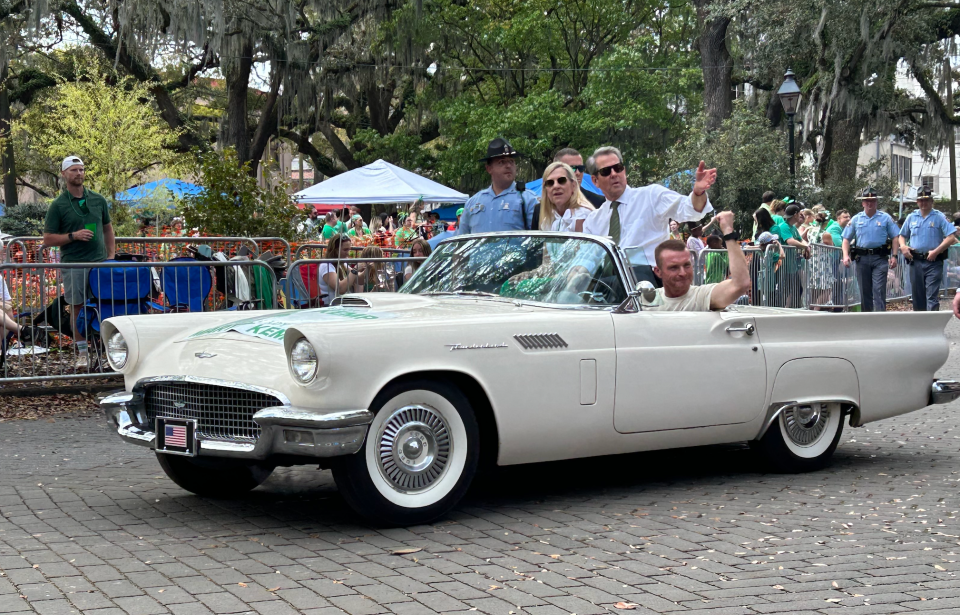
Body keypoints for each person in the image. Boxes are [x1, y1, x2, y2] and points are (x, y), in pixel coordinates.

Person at [582, 146, 716, 285]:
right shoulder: (593, 221)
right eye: (606, 171)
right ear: (595, 181)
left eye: (618, 167)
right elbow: (587, 259)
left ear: (624, 171)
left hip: (649, 283)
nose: (614, 173)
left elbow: (690, 210)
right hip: (609, 285)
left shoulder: (651, 196)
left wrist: (698, 192)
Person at [42, 156, 115, 367]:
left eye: (81, 169)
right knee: (78, 308)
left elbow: (108, 228)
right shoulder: (58, 205)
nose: (79, 173)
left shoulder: (98, 200)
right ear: (64, 174)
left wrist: (111, 257)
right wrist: (73, 236)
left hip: (100, 264)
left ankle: (109, 352)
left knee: (105, 307)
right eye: (74, 170)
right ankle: (83, 353)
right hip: (74, 264)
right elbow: (47, 239)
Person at [646, 211, 749, 311]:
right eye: (674, 267)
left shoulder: (702, 296)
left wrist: (728, 231)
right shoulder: (647, 301)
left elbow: (740, 284)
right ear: (658, 272)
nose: (682, 273)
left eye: (687, 265)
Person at [458, 137, 537, 235]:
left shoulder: (528, 199)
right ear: (489, 169)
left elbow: (537, 240)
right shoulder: (473, 202)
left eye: (511, 161)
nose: (508, 166)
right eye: (502, 162)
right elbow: (461, 241)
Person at [842, 187, 901, 312]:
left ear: (876, 202)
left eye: (873, 201)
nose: (870, 203)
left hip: (880, 258)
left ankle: (880, 318)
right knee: (864, 291)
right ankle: (867, 318)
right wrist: (845, 255)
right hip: (862, 258)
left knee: (879, 289)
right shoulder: (856, 219)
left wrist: (894, 256)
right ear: (863, 203)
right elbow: (846, 239)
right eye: (867, 201)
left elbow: (895, 237)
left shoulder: (885, 218)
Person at [899, 186, 957, 311]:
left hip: (933, 261)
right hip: (916, 261)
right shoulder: (911, 217)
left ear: (931, 201)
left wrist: (936, 251)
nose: (923, 203)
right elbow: (902, 235)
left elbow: (951, 237)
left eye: (926, 200)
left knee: (931, 296)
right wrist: (903, 246)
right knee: (917, 296)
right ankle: (920, 326)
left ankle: (932, 325)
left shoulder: (939, 217)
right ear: (917, 202)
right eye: (921, 200)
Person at [538, 162, 595, 232]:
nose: (556, 186)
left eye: (561, 180)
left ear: (573, 185)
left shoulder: (583, 215)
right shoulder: (547, 221)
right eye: (550, 183)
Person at [773, 204, 810, 308]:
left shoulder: (792, 227)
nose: (801, 215)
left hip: (791, 266)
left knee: (797, 289)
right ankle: (779, 310)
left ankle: (793, 310)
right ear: (795, 214)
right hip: (783, 265)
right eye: (799, 213)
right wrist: (805, 247)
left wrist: (805, 245)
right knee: (783, 290)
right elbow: (790, 241)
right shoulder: (784, 226)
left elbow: (799, 239)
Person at [317, 234, 360, 303]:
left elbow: (358, 277)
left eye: (349, 249)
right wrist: (356, 269)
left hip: (344, 303)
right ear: (335, 250)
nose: (348, 253)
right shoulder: (326, 265)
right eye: (345, 250)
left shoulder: (342, 263)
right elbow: (340, 289)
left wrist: (367, 268)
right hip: (331, 306)